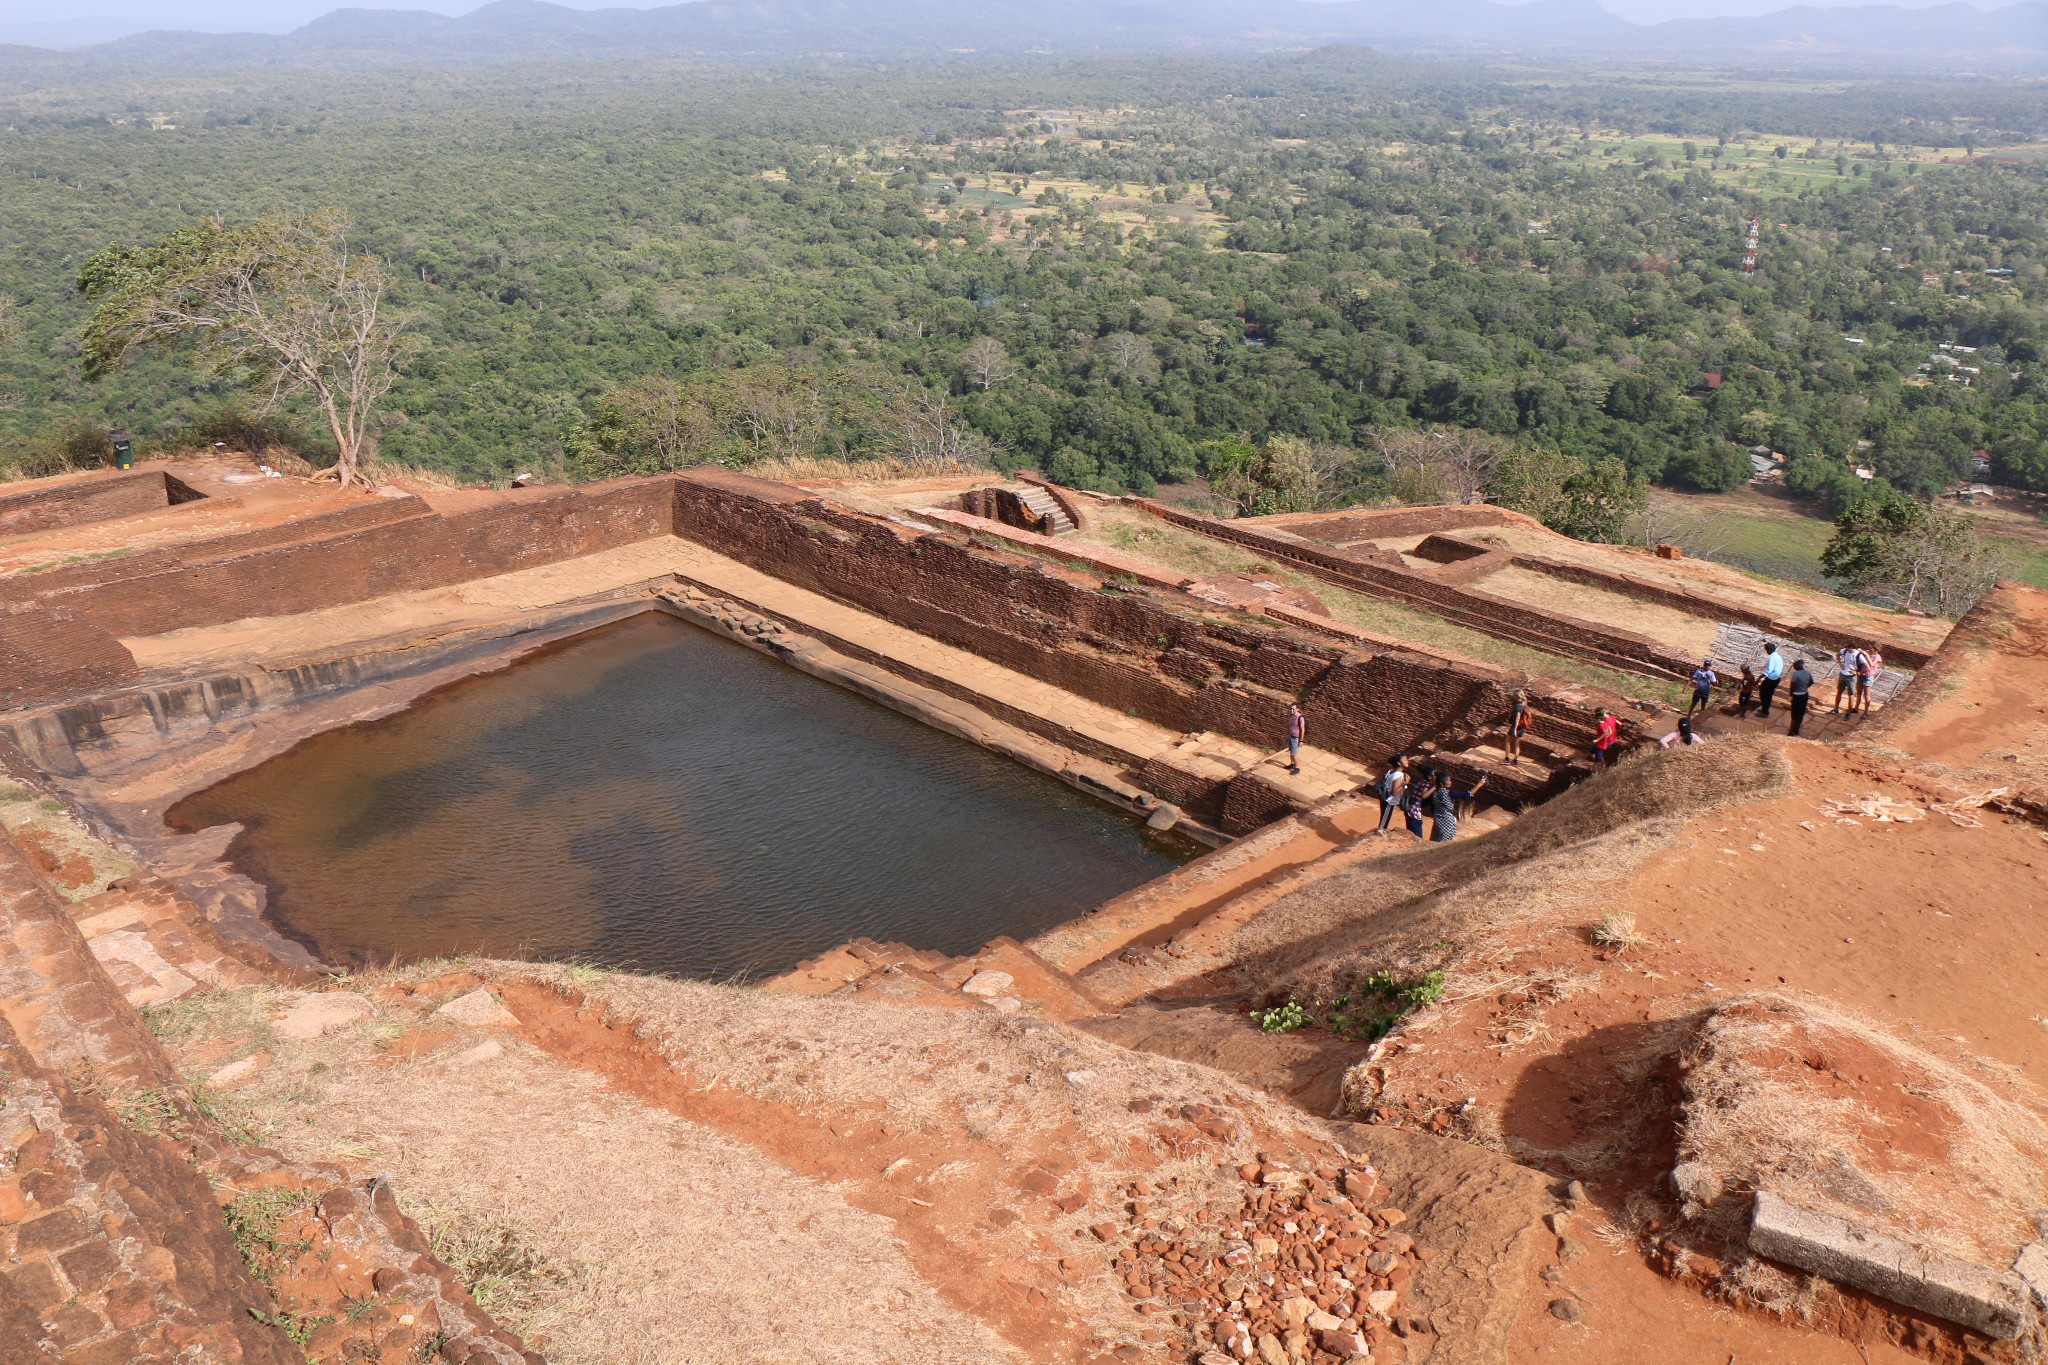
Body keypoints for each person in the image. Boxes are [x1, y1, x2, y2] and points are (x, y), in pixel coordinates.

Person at [1429, 769, 1488, 842]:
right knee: (1446, 842)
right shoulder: (1449, 793)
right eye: (1448, 780)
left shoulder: (1434, 793)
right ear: (1441, 783)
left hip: (1437, 820)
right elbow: (1466, 795)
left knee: (1435, 840)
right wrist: (1479, 784)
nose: (1450, 782)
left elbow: (1432, 808)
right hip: (1447, 821)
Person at [1374, 756, 1410, 835]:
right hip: (1389, 801)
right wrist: (1405, 784)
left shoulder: (1391, 771)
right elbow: (1395, 792)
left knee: (1384, 818)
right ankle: (1378, 837)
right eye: (1404, 760)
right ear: (1399, 763)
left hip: (1385, 798)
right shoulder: (1399, 775)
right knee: (1383, 824)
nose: (1407, 761)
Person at [1504, 690, 1532, 766]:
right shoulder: (1524, 703)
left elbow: (1517, 718)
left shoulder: (1518, 706)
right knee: (1517, 744)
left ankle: (1506, 759)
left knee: (1507, 740)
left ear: (1516, 697)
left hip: (1516, 727)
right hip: (1522, 727)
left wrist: (1514, 729)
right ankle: (1515, 761)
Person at [1788, 657, 1814, 736]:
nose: (1793, 666)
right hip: (1804, 695)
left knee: (1794, 714)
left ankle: (1791, 732)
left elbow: (1792, 685)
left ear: (1799, 665)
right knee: (1801, 713)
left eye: (1794, 665)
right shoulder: (1807, 672)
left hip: (1796, 695)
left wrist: (1790, 695)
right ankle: (1796, 730)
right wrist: (1805, 687)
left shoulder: (1795, 674)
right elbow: (1812, 681)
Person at [1832, 646, 1862, 715]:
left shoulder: (1858, 654)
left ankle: (1848, 712)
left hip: (1851, 677)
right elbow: (1837, 654)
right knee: (1839, 691)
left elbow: (1866, 666)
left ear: (1852, 647)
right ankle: (1836, 709)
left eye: (1848, 647)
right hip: (1843, 674)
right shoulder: (1845, 651)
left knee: (1851, 694)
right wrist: (1840, 663)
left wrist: (1857, 672)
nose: (1847, 649)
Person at [1758, 641, 1784, 718]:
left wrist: (1760, 677)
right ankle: (1765, 709)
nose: (1766, 652)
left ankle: (1765, 712)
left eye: (1766, 650)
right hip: (1776, 678)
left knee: (1763, 694)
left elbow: (1768, 670)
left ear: (1769, 650)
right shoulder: (1778, 656)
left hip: (1771, 679)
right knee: (1768, 695)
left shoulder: (1771, 657)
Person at [1403, 772, 1433, 839]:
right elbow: (1423, 796)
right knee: (1418, 837)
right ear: (1430, 777)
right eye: (1434, 775)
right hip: (1414, 812)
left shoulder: (1421, 782)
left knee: (1410, 834)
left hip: (1410, 809)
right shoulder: (1427, 784)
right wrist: (1435, 786)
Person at [1855, 645, 1883, 717]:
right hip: (1861, 674)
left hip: (1869, 676)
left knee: (1867, 695)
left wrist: (1866, 655)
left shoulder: (1877, 657)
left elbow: (1872, 664)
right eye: (1869, 647)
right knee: (1859, 692)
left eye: (1872, 648)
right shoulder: (1866, 652)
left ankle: (1866, 712)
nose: (1870, 649)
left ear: (1876, 649)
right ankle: (1856, 708)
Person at [1284, 703, 1306, 775]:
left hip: (1296, 738)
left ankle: (1297, 768)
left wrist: (1301, 740)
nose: (1292, 710)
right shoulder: (1291, 716)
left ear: (1297, 709)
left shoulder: (1300, 718)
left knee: (1294, 754)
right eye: (1291, 708)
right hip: (1291, 736)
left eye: (1293, 709)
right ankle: (1292, 764)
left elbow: (1303, 729)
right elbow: (1290, 726)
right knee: (1291, 752)